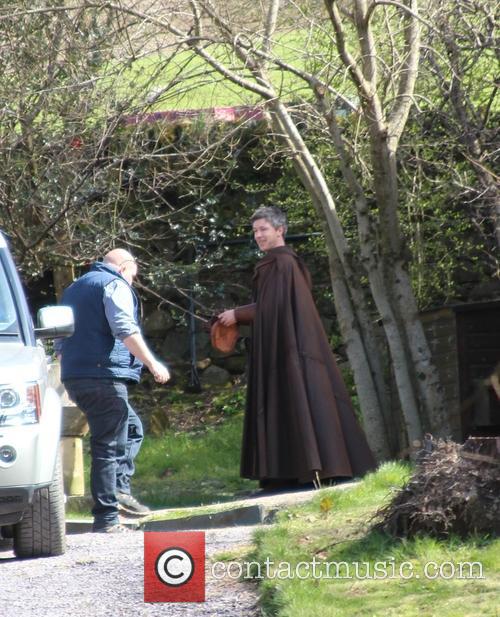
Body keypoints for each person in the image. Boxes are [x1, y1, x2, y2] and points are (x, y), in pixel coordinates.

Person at [218, 207, 377, 490]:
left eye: (263, 229)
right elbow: (272, 308)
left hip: (291, 349)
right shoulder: (277, 264)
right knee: (290, 402)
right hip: (283, 348)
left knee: (299, 400)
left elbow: (274, 307)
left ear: (280, 230)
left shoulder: (283, 264)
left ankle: (311, 470)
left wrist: (238, 314)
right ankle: (289, 473)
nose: (258, 236)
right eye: (255, 231)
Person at [57, 249, 170, 532]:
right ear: (124, 267)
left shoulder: (72, 289)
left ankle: (119, 492)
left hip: (76, 375)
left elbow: (59, 340)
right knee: (107, 443)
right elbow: (124, 329)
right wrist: (153, 363)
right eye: (134, 274)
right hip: (103, 374)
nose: (133, 281)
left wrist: (70, 372)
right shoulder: (113, 284)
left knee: (131, 428)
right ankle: (107, 516)